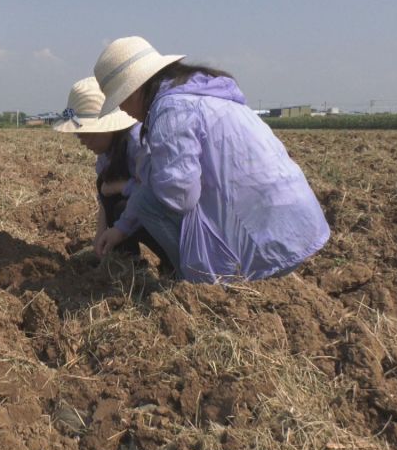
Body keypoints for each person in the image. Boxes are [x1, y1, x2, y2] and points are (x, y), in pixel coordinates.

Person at [92, 36, 330, 283]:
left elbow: (177, 196)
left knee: (147, 202)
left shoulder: (171, 110)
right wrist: (121, 228)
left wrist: (141, 179)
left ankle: (204, 283)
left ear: (135, 89)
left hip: (264, 243)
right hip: (298, 227)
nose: (122, 110)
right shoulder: (205, 92)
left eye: (120, 100)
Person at [52, 77, 172, 271]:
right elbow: (104, 195)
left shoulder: (139, 144)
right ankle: (125, 261)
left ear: (107, 127)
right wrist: (99, 234)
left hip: (169, 219)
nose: (82, 140)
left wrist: (121, 189)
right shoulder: (107, 152)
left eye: (86, 133)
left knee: (122, 206)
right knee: (106, 188)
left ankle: (172, 263)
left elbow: (155, 193)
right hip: (140, 210)